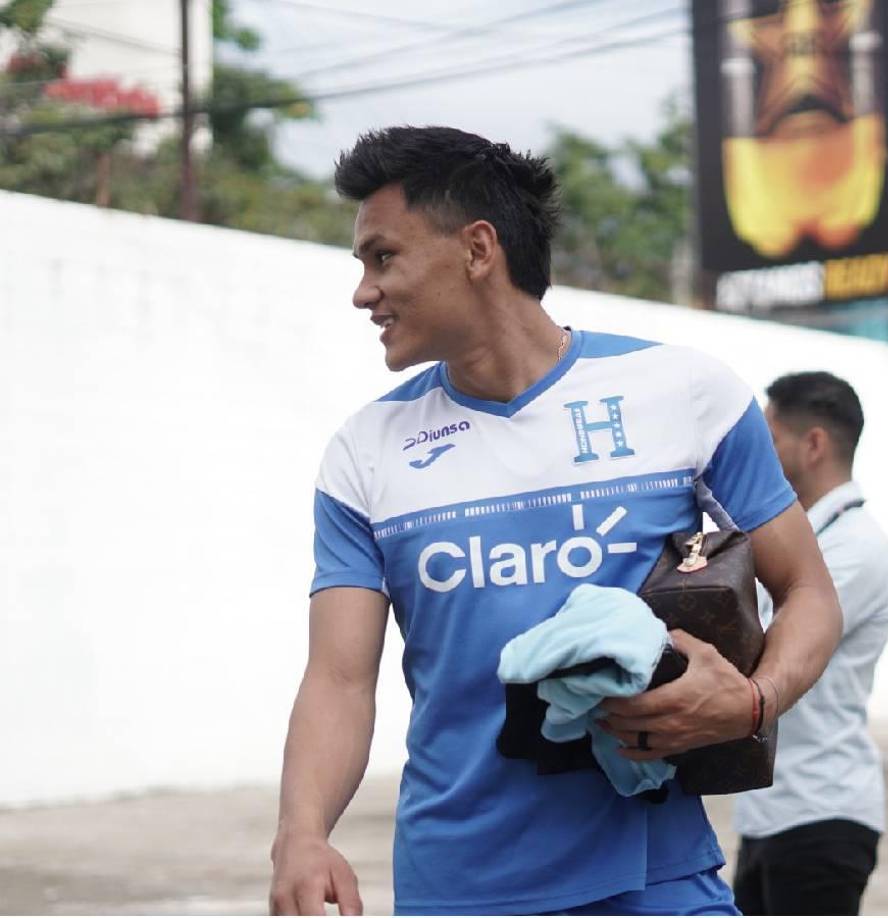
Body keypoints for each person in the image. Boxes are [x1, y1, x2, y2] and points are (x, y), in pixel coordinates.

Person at [267, 125, 845, 917]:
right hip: (456, 889)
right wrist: (301, 833)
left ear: (478, 249)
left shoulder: (684, 394)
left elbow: (809, 591)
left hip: (660, 877)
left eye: (383, 257)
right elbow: (339, 679)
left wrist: (752, 702)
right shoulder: (365, 452)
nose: (364, 291)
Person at [731, 372, 888, 916]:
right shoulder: (808, 538)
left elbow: (758, 644)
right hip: (772, 813)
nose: (759, 453)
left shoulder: (857, 547)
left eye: (770, 437)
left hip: (820, 816)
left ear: (813, 445)